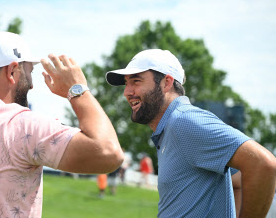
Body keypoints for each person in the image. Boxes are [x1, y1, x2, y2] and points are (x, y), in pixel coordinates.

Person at [0, 31, 123, 217]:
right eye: (29, 72)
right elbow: (109, 153)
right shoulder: (20, 126)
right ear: (12, 71)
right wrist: (77, 90)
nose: (31, 84)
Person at [105, 49, 276, 217]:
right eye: (127, 83)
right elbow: (237, 181)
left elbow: (264, 164)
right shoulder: (173, 127)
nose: (127, 92)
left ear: (167, 82)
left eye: (136, 81)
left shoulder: (184, 121)